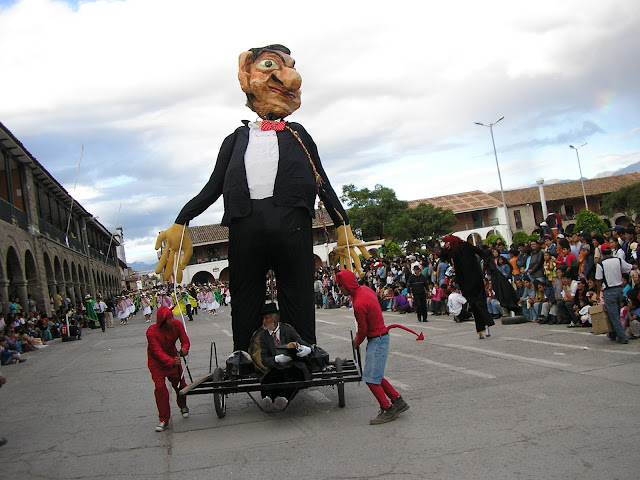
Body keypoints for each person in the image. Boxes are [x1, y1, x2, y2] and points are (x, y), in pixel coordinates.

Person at [154, 44, 369, 353]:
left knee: (297, 292)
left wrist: (343, 226)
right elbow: (213, 186)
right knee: (245, 295)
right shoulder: (235, 139)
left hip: (292, 225)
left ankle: (303, 348)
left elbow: (322, 182)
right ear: (246, 75)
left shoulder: (299, 135)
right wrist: (182, 221)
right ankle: (246, 352)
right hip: (246, 227)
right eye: (270, 65)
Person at [335, 270, 409, 425]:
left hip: (377, 339)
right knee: (376, 374)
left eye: (341, 286)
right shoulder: (366, 290)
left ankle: (387, 408)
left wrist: (356, 341)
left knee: (370, 378)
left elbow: (363, 329)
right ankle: (398, 400)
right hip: (381, 336)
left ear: (347, 285)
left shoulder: (358, 304)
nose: (340, 290)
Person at [249, 302, 313, 412]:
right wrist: (275, 359)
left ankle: (283, 399)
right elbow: (264, 359)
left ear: (274, 319)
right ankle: (267, 398)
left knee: (293, 377)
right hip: (276, 367)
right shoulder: (263, 336)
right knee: (269, 378)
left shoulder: (288, 330)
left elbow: (303, 343)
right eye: (263, 318)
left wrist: (307, 349)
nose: (264, 321)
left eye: (266, 318)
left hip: (292, 365)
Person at [146, 306, 190, 432]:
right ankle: (164, 419)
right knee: (160, 389)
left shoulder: (177, 324)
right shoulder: (151, 332)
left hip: (173, 357)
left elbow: (185, 339)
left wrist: (185, 349)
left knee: (181, 385)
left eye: (172, 317)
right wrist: (171, 361)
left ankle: (183, 405)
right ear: (162, 322)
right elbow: (156, 352)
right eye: (169, 319)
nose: (172, 320)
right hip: (157, 363)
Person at [442, 235, 495, 339]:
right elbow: (444, 257)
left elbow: (481, 252)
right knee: (474, 305)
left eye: (447, 242)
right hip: (464, 282)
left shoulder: (466, 246)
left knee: (479, 302)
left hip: (475, 278)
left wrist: (487, 264)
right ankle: (481, 328)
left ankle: (487, 323)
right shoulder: (453, 251)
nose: (446, 245)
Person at [595, 243, 632, 344]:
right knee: (615, 312)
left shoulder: (601, 263)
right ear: (611, 251)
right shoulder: (618, 260)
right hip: (619, 289)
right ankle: (613, 333)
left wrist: (598, 293)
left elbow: (598, 279)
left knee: (613, 315)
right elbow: (628, 268)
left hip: (609, 290)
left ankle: (622, 336)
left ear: (602, 253)